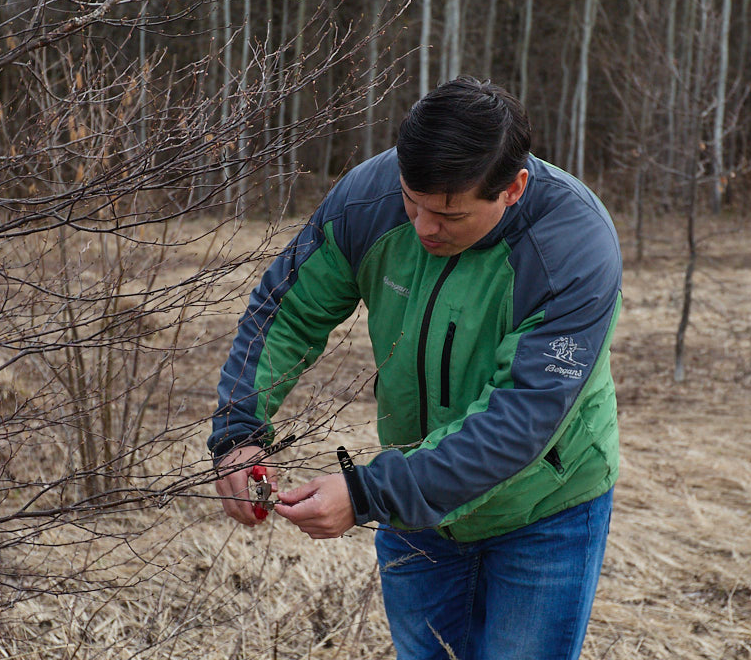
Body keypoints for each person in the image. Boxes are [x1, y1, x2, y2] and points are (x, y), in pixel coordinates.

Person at [208, 77, 622, 660]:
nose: (424, 227)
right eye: (413, 201)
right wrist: (239, 432)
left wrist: (367, 492)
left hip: (543, 512)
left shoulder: (572, 247)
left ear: (513, 189)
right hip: (417, 518)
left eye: (450, 215)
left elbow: (521, 420)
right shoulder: (369, 198)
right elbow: (288, 312)